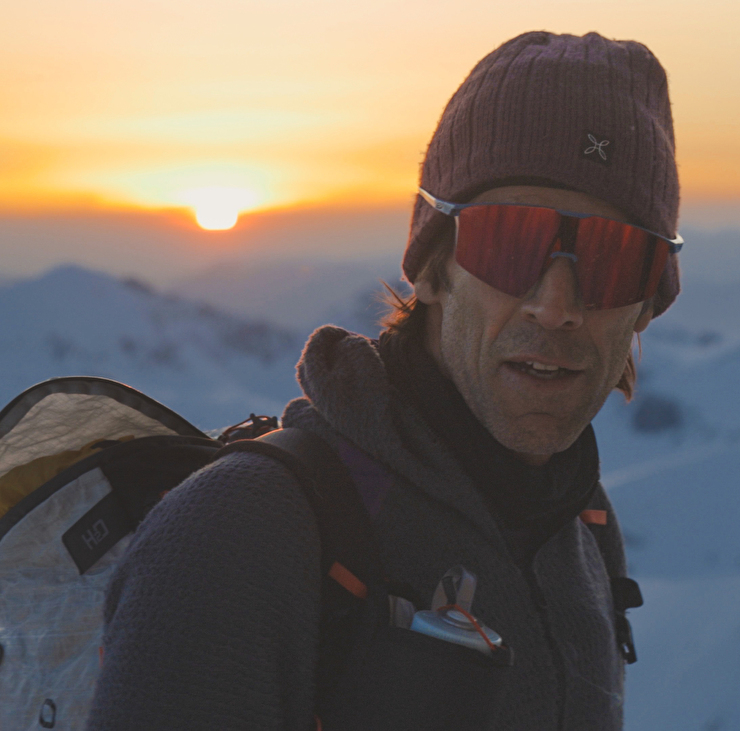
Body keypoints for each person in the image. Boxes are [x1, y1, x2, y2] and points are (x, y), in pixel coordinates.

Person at [87, 30, 682, 730]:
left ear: (647, 301)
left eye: (614, 259)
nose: (556, 307)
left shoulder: (580, 528)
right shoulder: (241, 534)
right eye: (510, 242)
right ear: (431, 267)